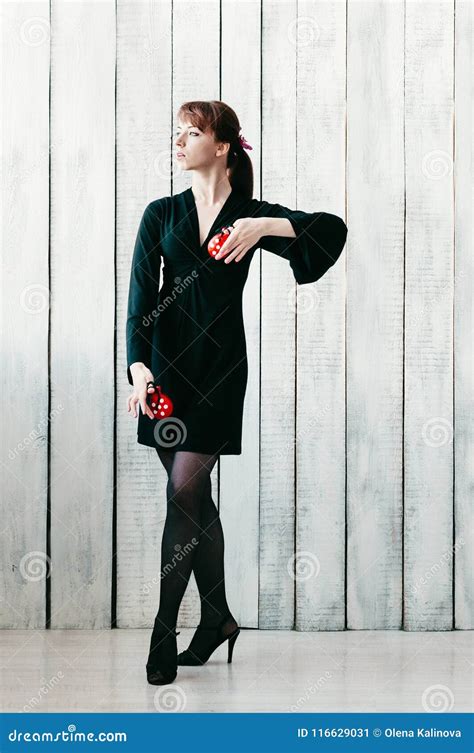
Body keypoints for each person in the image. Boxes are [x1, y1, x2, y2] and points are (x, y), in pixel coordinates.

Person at [125, 100, 348, 684]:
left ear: (222, 145)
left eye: (191, 132)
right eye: (177, 131)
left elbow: (332, 230)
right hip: (167, 374)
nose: (179, 141)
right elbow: (140, 303)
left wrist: (264, 227)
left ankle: (163, 631)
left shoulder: (249, 215)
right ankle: (219, 617)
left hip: (221, 372)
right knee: (195, 503)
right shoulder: (160, 213)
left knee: (183, 496)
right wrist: (139, 370)